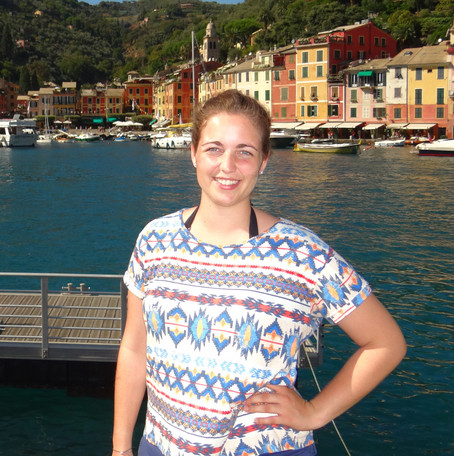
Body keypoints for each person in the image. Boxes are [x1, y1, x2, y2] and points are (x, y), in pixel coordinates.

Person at [112, 90, 406, 456]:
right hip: (160, 446)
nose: (228, 166)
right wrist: (121, 446)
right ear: (193, 153)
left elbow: (386, 343)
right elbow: (135, 349)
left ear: (264, 161)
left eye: (245, 152)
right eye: (214, 149)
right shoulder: (154, 240)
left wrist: (315, 412)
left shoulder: (303, 254)